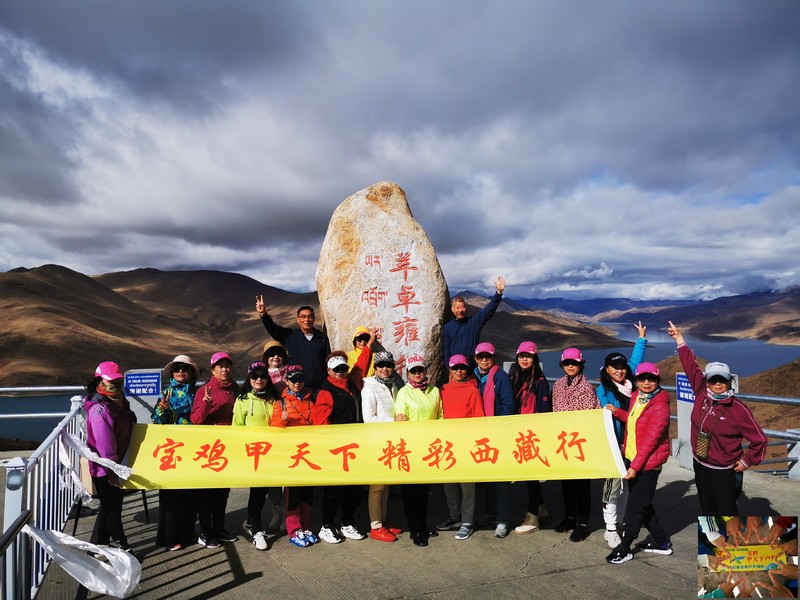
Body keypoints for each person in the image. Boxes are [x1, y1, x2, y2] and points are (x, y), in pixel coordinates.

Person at [667, 321, 767, 515]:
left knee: (726, 510)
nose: (718, 384)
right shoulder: (701, 392)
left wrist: (746, 461)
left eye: (723, 379)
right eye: (713, 379)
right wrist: (679, 339)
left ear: (729, 381)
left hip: (724, 470)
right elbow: (690, 366)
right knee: (706, 506)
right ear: (707, 381)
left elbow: (760, 440)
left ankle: (728, 535)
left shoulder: (737, 409)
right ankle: (710, 533)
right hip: (700, 464)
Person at [604, 363, 672, 565]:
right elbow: (634, 420)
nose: (647, 382)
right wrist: (617, 412)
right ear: (636, 380)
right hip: (632, 457)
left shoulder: (660, 406)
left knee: (635, 506)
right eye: (642, 378)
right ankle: (660, 540)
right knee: (642, 502)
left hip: (647, 464)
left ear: (658, 380)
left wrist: (634, 467)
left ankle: (625, 547)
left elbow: (651, 441)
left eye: (652, 379)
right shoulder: (638, 397)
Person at [596, 321, 648, 548]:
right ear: (606, 369)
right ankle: (610, 528)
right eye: (614, 367)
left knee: (628, 483)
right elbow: (605, 416)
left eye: (622, 367)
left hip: (633, 443)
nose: (620, 370)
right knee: (612, 486)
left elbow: (635, 360)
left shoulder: (630, 382)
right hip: (615, 443)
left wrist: (641, 339)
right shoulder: (603, 390)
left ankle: (623, 520)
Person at [311, 352, 367, 544]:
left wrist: (369, 345)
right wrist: (326, 448)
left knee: (354, 488)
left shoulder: (352, 385)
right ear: (328, 371)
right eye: (336, 370)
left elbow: (361, 366)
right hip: (336, 449)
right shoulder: (325, 392)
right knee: (333, 489)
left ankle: (347, 522)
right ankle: (326, 526)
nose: (340, 372)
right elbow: (321, 423)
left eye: (343, 369)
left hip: (355, 447)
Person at [85, 361, 137, 552]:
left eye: (118, 380)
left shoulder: (119, 401)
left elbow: (130, 421)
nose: (116, 384)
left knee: (109, 507)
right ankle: (124, 548)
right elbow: (105, 447)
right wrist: (113, 473)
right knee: (113, 509)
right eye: (111, 381)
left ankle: (100, 545)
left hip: (118, 463)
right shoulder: (99, 410)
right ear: (100, 382)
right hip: (105, 468)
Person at [191, 351, 240, 548]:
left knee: (223, 492)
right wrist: (205, 404)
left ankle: (219, 527)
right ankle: (205, 531)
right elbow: (196, 420)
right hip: (210, 449)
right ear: (213, 370)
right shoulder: (204, 390)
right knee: (207, 492)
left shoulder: (234, 388)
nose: (224, 369)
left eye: (227, 366)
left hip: (228, 447)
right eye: (220, 366)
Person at [394, 354, 443, 547]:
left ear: (425, 371)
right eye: (413, 371)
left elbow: (440, 415)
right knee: (411, 490)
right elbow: (401, 418)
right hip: (410, 448)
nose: (417, 373)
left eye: (420, 370)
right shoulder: (404, 393)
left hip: (428, 447)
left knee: (423, 490)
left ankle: (422, 523)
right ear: (407, 373)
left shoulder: (434, 391)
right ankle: (414, 528)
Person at [552, 347, 600, 542]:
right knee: (567, 484)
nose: (570, 366)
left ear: (581, 365)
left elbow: (591, 416)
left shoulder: (587, 388)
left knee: (582, 486)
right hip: (563, 442)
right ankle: (570, 517)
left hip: (580, 443)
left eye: (574, 363)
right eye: (567, 363)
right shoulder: (558, 385)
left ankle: (583, 524)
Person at [152, 354, 200, 551]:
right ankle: (169, 537)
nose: (180, 371)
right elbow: (157, 422)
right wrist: (162, 410)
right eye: (176, 369)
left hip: (194, 449)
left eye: (185, 368)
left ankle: (188, 532)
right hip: (173, 450)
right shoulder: (166, 394)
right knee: (172, 494)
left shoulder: (198, 393)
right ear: (172, 373)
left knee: (191, 493)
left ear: (191, 373)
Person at [233, 361, 280, 551]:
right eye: (254, 376)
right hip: (255, 455)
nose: (259, 379)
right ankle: (257, 531)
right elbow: (237, 428)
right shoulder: (242, 400)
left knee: (273, 492)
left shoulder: (275, 398)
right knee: (257, 494)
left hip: (275, 453)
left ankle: (252, 522)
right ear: (249, 378)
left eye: (262, 376)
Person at [271, 364, 319, 548]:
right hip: (292, 455)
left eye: (300, 379)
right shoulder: (280, 403)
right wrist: (282, 420)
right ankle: (294, 529)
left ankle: (306, 527)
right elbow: (274, 429)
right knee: (293, 494)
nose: (297, 383)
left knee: (308, 493)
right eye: (293, 379)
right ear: (286, 381)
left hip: (309, 453)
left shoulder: (310, 400)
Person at [438, 354, 484, 541]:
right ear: (450, 370)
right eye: (455, 368)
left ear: (467, 370)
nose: (459, 371)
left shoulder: (473, 390)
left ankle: (467, 521)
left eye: (462, 368)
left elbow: (479, 419)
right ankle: (454, 515)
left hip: (466, 444)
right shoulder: (443, 389)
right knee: (449, 484)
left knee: (467, 486)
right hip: (447, 445)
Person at [472, 342, 515, 538]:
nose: (484, 360)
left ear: (493, 358)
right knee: (487, 476)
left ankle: (502, 519)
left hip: (497, 433)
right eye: (480, 356)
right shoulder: (472, 376)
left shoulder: (500, 376)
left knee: (501, 478)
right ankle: (490, 512)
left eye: (487, 356)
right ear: (475, 358)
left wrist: (500, 430)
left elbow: (508, 405)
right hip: (480, 435)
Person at [360, 351, 404, 542]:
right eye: (381, 365)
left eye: (388, 365)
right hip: (376, 441)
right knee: (377, 486)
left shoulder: (392, 385)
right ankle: (376, 526)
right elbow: (368, 419)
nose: (385, 369)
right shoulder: (369, 389)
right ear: (375, 368)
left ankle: (383, 521)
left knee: (386, 484)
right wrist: (393, 421)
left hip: (390, 442)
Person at [508, 341, 551, 534]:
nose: (525, 359)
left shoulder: (539, 382)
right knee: (529, 476)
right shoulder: (515, 377)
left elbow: (543, 411)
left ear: (535, 358)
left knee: (531, 475)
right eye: (522, 356)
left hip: (531, 434)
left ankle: (533, 517)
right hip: (518, 432)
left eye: (529, 356)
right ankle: (541, 508)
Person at [255, 295, 331, 392]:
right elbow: (273, 330)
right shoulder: (290, 336)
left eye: (310, 316)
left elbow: (328, 360)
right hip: (297, 387)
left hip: (320, 388)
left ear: (314, 318)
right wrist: (263, 314)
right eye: (303, 317)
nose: (307, 319)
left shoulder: (322, 338)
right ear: (297, 319)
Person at [443, 276, 505, 369]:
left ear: (466, 308)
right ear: (452, 309)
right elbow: (446, 350)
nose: (460, 310)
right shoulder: (448, 327)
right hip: (455, 367)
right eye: (457, 307)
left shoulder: (474, 322)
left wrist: (499, 293)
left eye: (463, 307)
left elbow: (488, 311)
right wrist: (449, 369)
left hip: (471, 365)